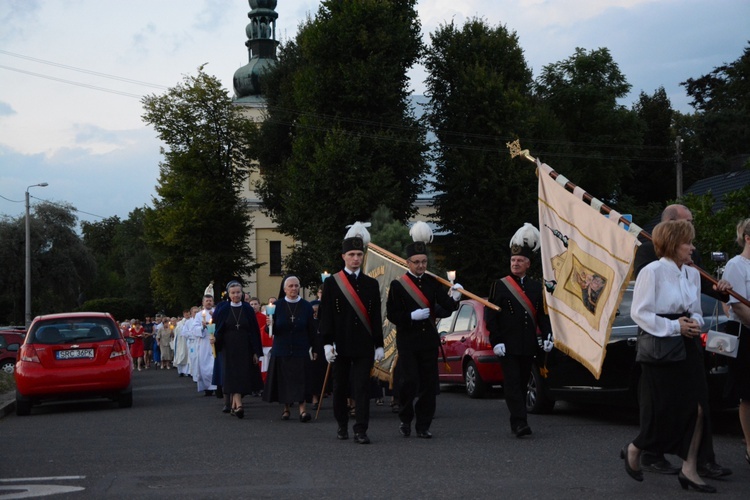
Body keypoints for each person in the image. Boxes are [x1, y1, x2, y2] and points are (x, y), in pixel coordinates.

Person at [634, 203, 731, 478]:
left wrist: (720, 291)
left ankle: (700, 461)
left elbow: (700, 288)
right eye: (687, 224)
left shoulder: (690, 260)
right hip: (658, 340)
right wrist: (674, 325)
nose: (692, 244)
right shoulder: (647, 255)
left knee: (698, 402)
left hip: (688, 338)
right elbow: (646, 303)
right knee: (658, 402)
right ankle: (645, 451)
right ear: (672, 228)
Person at [623, 220, 716, 493]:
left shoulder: (693, 274)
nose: (692, 247)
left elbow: (696, 309)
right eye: (688, 242)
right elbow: (639, 313)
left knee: (698, 409)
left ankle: (689, 470)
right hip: (661, 349)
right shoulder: (651, 272)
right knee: (664, 412)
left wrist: (695, 321)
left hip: (688, 347)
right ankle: (634, 448)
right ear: (674, 244)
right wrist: (676, 326)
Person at [386, 224, 463, 439]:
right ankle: (405, 418)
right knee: (409, 382)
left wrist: (455, 298)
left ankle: (423, 425)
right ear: (408, 263)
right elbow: (392, 313)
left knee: (429, 385)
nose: (421, 265)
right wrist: (410, 317)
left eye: (424, 262)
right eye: (417, 262)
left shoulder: (432, 282)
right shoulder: (398, 285)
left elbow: (446, 305)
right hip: (408, 340)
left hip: (428, 340)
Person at [486, 223, 553, 438]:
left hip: (528, 344)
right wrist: (496, 341)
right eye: (513, 260)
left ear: (527, 264)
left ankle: (519, 419)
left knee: (523, 383)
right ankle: (519, 422)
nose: (515, 264)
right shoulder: (500, 285)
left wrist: (548, 334)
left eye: (519, 261)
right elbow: (491, 316)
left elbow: (542, 314)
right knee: (513, 384)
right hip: (508, 345)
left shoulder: (535, 287)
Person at [319, 234, 383, 444]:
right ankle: (342, 424)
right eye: (351, 255)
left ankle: (361, 429)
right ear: (343, 256)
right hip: (340, 344)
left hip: (363, 345)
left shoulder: (371, 284)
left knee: (362, 387)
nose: (356, 258)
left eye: (359, 254)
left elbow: (375, 316)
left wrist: (379, 344)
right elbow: (326, 314)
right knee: (340, 387)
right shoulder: (332, 283)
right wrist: (327, 343)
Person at [263, 276, 317, 422]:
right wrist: (270, 324)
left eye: (296, 286)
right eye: (291, 286)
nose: (294, 288)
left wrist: (315, 347)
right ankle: (286, 409)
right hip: (282, 348)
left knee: (301, 380)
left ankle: (303, 411)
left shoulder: (306, 306)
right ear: (285, 289)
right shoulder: (277, 306)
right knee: (284, 380)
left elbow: (311, 328)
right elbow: (270, 332)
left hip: (300, 348)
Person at [720, 218, 750, 467]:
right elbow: (737, 306)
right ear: (748, 238)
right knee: (748, 393)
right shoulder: (735, 265)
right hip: (745, 332)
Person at [211, 281, 264, 419]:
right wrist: (215, 339)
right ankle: (239, 405)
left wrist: (255, 351)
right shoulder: (224, 309)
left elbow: (254, 331)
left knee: (242, 376)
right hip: (228, 348)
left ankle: (235, 405)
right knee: (232, 376)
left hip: (244, 347)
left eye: (238, 292)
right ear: (229, 295)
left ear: (242, 293)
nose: (236, 295)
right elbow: (219, 329)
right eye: (233, 293)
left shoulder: (247, 309)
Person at [186, 294, 217, 396]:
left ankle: (217, 386)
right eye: (207, 301)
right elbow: (194, 329)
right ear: (203, 303)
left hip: (215, 341)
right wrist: (202, 327)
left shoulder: (217, 312)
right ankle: (208, 387)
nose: (208, 302)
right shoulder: (199, 315)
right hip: (204, 342)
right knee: (204, 366)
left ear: (213, 302)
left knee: (214, 365)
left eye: (210, 300)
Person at [173, 309, 191, 377]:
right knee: (181, 355)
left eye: (188, 313)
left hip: (188, 340)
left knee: (188, 356)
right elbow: (177, 331)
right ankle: (181, 371)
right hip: (181, 341)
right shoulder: (180, 323)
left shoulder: (192, 321)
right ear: (183, 314)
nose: (186, 314)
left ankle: (188, 371)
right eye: (185, 313)